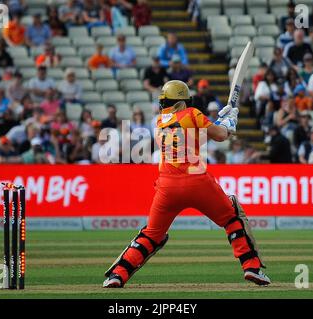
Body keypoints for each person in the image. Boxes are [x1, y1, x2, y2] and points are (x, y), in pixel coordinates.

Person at [103, 80, 270, 288]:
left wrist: (221, 122)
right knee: (232, 216)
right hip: (197, 181)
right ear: (184, 100)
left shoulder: (159, 122)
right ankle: (251, 268)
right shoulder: (192, 113)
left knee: (152, 234)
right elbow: (218, 136)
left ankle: (118, 275)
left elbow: (193, 137)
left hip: (166, 186)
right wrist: (228, 125)